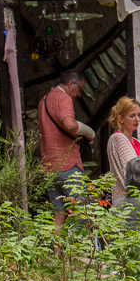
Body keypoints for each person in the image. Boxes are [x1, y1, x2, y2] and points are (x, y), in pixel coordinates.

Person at [37, 70, 94, 232]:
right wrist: (86, 131)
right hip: (67, 164)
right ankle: (81, 253)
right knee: (82, 213)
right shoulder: (64, 98)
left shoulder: (44, 100)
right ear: (71, 84)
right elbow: (69, 124)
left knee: (58, 213)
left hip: (48, 166)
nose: (79, 95)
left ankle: (57, 253)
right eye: (80, 89)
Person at [104, 96, 140, 200]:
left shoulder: (135, 142)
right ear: (121, 119)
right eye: (132, 116)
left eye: (139, 115)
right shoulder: (118, 138)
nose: (137, 119)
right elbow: (132, 173)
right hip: (129, 200)